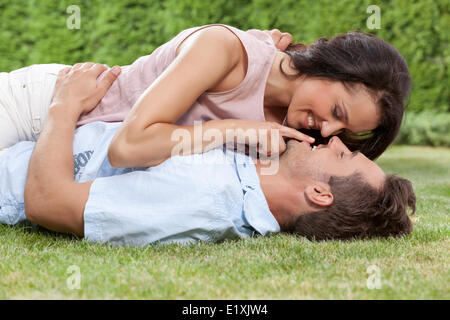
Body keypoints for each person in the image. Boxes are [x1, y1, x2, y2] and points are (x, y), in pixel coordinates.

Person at [0, 62, 416, 246]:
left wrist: (64, 107)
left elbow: (47, 202)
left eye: (342, 156)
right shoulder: (246, 173)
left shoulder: (203, 196)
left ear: (319, 195)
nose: (335, 140)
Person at [0, 24, 411, 163]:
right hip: (43, 107)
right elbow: (128, 146)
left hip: (65, 151)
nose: (327, 128)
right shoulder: (224, 49)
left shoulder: (290, 128)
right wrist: (234, 129)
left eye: (343, 129)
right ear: (328, 64)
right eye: (336, 109)